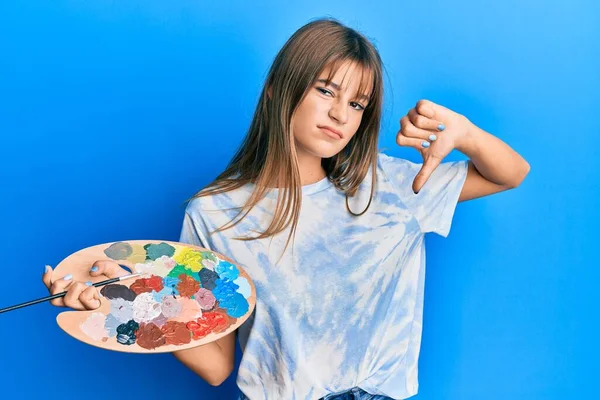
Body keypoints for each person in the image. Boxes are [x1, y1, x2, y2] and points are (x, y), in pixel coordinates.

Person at [42, 17, 529, 400]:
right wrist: (125, 305)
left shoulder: (389, 185)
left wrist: (464, 133)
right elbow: (215, 367)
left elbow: (511, 173)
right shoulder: (215, 214)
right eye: (326, 90)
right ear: (279, 87)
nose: (341, 114)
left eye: (358, 105)